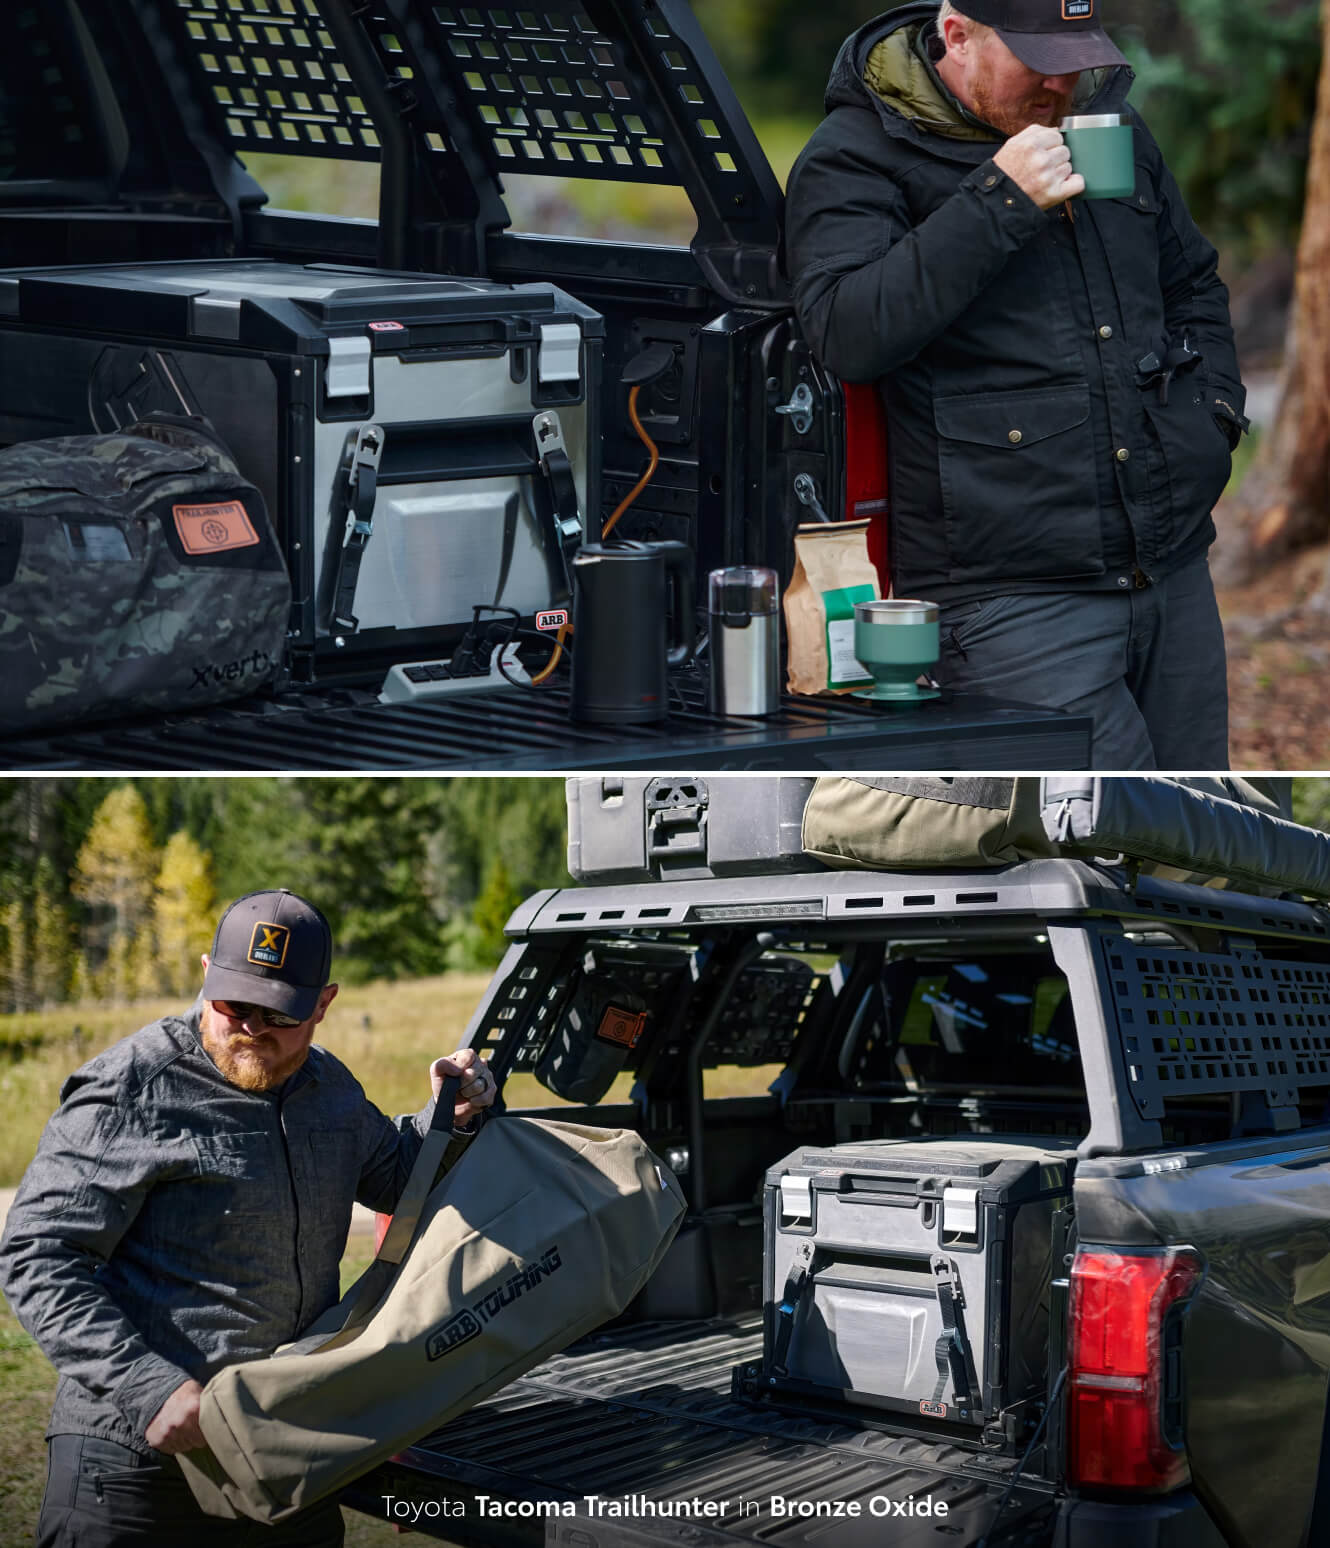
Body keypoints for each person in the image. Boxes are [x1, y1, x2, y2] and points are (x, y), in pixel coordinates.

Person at [785, 0, 1249, 769]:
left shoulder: (1112, 128)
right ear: (957, 34)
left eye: (1078, 55)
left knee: (1197, 828)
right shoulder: (855, 156)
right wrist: (998, 200)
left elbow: (1192, 283)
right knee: (1103, 834)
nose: (1062, 82)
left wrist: (1215, 419)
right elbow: (846, 332)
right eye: (1038, 56)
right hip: (1012, 597)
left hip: (1170, 568)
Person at [0, 888, 497, 1548]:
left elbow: (402, 1178)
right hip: (135, 1466)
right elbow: (40, 1254)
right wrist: (147, 1388)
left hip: (278, 1451)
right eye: (235, 1005)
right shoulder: (132, 1088)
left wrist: (452, 1119)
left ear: (323, 1004)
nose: (252, 1027)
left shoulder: (334, 1092)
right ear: (207, 975)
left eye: (280, 1013)